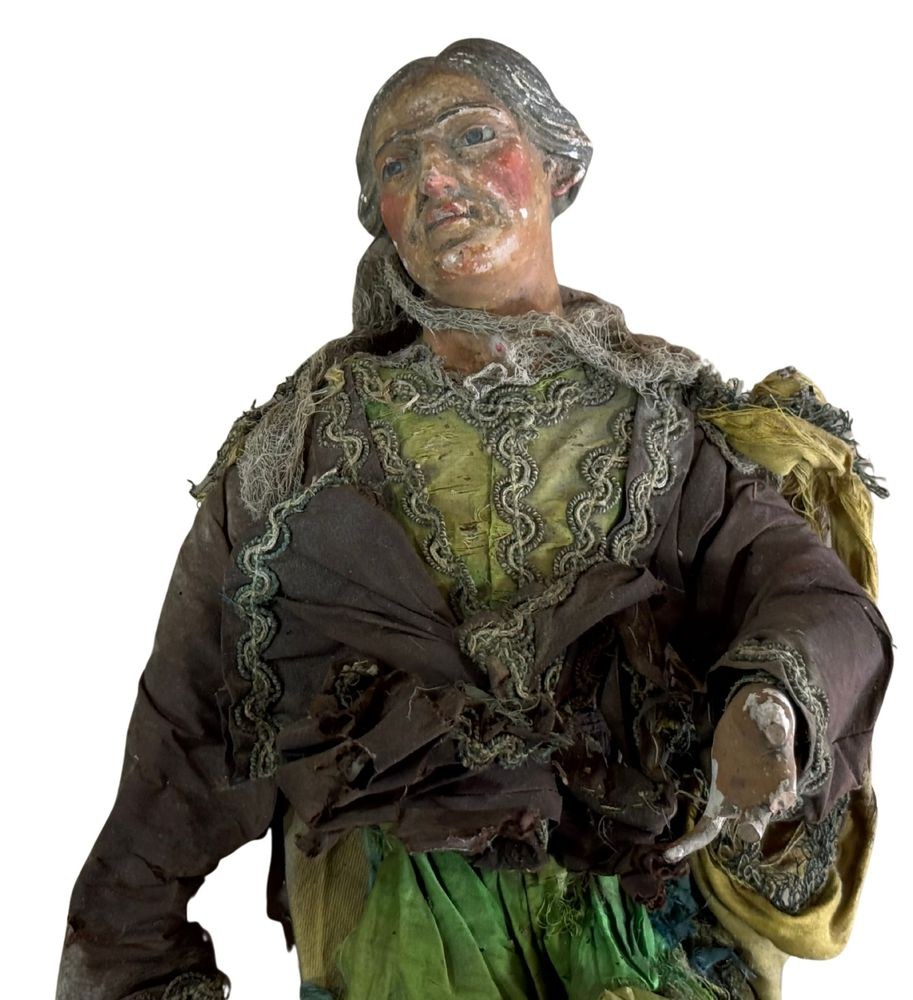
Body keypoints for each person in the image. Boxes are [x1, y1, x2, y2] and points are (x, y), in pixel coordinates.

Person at [56, 38, 891, 1000]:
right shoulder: (302, 445)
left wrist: (769, 702)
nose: (435, 179)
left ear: (560, 165)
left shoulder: (663, 424)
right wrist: (126, 943)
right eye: (396, 165)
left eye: (473, 137)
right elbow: (190, 720)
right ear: (380, 221)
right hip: (394, 934)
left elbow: (812, 597)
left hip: (637, 928)